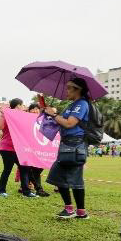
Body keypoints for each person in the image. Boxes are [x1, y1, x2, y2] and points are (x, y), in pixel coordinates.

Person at [44, 77, 90, 219]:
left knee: (67, 177)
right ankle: (78, 211)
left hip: (75, 144)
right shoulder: (72, 105)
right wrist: (49, 115)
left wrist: (54, 114)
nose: (67, 90)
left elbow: (69, 123)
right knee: (62, 176)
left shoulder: (81, 104)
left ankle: (74, 210)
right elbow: (61, 122)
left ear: (78, 89)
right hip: (67, 144)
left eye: (70, 88)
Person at [0, 98, 36, 198]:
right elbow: (0, 127)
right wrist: (2, 114)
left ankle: (26, 192)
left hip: (20, 149)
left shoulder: (23, 117)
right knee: (7, 169)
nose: (23, 108)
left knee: (24, 169)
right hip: (7, 148)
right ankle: (2, 191)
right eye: (22, 106)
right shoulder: (7, 115)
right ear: (18, 106)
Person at [25, 103, 50, 197]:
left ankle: (26, 185)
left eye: (37, 109)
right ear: (29, 110)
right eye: (33, 109)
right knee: (32, 169)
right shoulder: (25, 119)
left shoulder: (43, 121)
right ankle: (38, 189)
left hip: (40, 149)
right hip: (29, 149)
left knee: (37, 168)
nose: (35, 111)